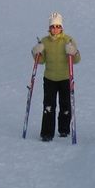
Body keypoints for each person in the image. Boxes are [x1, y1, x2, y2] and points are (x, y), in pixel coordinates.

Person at [31, 12, 80, 142]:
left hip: (65, 78)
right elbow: (41, 61)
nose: (55, 29)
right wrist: (36, 52)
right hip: (50, 79)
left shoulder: (68, 40)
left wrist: (73, 52)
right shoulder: (45, 41)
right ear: (50, 28)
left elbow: (76, 60)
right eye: (53, 26)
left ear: (61, 27)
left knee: (65, 106)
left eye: (58, 26)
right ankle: (47, 133)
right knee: (48, 106)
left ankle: (64, 130)